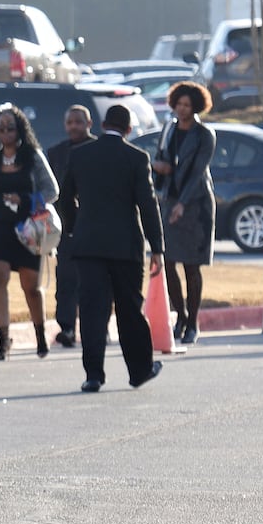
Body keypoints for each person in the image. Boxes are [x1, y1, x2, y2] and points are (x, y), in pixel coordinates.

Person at [55, 105, 163, 393]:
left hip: (87, 244)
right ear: (129, 129)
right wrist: (157, 248)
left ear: (102, 124)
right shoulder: (137, 158)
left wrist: (75, 227)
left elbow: (64, 199)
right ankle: (139, 370)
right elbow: (147, 206)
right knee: (129, 309)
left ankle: (94, 374)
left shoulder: (79, 155)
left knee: (92, 311)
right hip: (125, 246)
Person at [0, 103, 58, 360]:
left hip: (29, 227)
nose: (5, 133)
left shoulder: (33, 156)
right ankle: (3, 339)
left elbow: (53, 191)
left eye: (10, 127)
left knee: (31, 286)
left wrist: (27, 199)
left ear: (20, 130)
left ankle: (40, 334)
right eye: (1, 129)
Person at [152, 82, 216, 345]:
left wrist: (183, 204)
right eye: (179, 104)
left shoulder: (204, 134)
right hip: (170, 199)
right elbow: (160, 158)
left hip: (196, 204)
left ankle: (192, 322)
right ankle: (180, 314)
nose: (182, 109)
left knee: (192, 265)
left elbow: (198, 172)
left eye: (187, 105)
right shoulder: (169, 129)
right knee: (168, 263)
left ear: (196, 107)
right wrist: (159, 168)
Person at [42, 105, 95, 348]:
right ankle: (67, 328)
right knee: (66, 278)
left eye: (78, 122)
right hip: (64, 226)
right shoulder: (55, 154)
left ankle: (95, 326)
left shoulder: (98, 149)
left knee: (94, 279)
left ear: (89, 124)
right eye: (70, 122)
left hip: (95, 224)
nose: (74, 126)